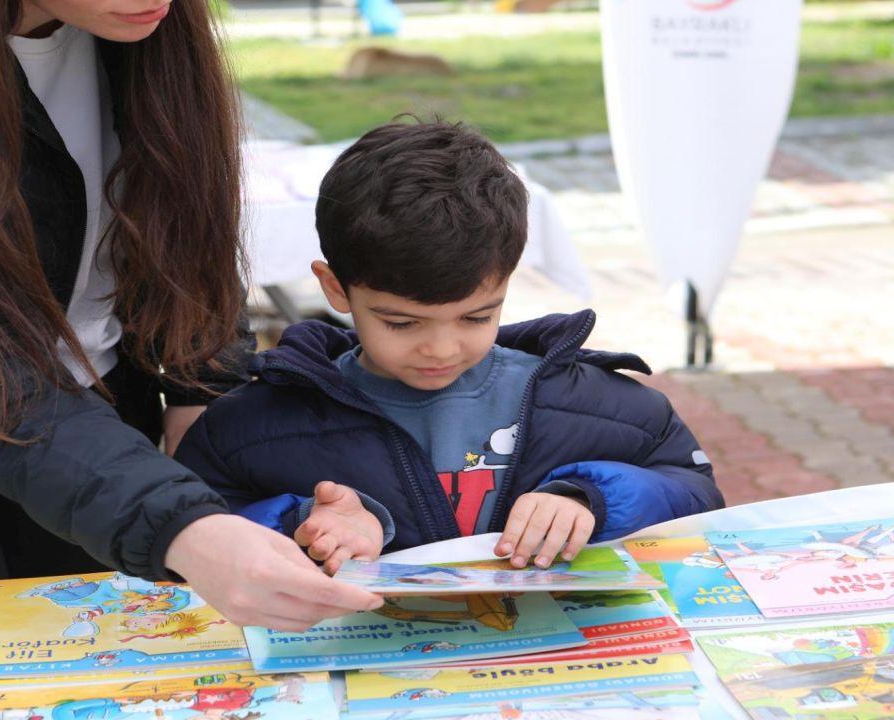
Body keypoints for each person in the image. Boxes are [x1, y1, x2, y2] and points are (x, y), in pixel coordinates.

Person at [0, 0, 381, 630]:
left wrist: (212, 439)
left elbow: (186, 259)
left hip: (106, 460)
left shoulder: (148, 39)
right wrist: (184, 524)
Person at [174, 120, 724, 573]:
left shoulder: (593, 402)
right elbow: (190, 527)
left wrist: (591, 499)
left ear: (508, 279)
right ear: (335, 287)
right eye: (403, 323)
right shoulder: (252, 426)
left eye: (477, 316)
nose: (442, 348)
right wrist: (301, 524)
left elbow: (693, 490)